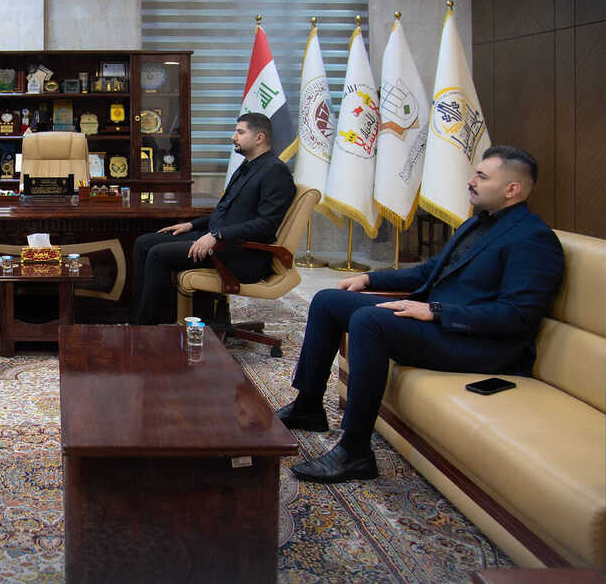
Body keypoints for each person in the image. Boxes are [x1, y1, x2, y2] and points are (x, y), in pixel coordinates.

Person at [277, 145, 564, 483]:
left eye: (482, 177)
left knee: (370, 322)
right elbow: (429, 272)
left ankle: (355, 452)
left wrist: (436, 311)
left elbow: (517, 316)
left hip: (480, 344)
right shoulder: (477, 223)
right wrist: (370, 279)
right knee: (328, 301)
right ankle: (309, 406)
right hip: (443, 325)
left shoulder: (533, 239)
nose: (471, 181)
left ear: (512, 189)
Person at [131, 112, 295, 324]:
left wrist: (217, 235)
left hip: (241, 254)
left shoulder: (275, 171)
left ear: (259, 138)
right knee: (143, 243)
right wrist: (191, 225)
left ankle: (149, 326)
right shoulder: (247, 166)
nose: (233, 137)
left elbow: (266, 224)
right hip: (221, 241)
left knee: (158, 254)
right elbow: (225, 211)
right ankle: (137, 317)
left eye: (240, 132)